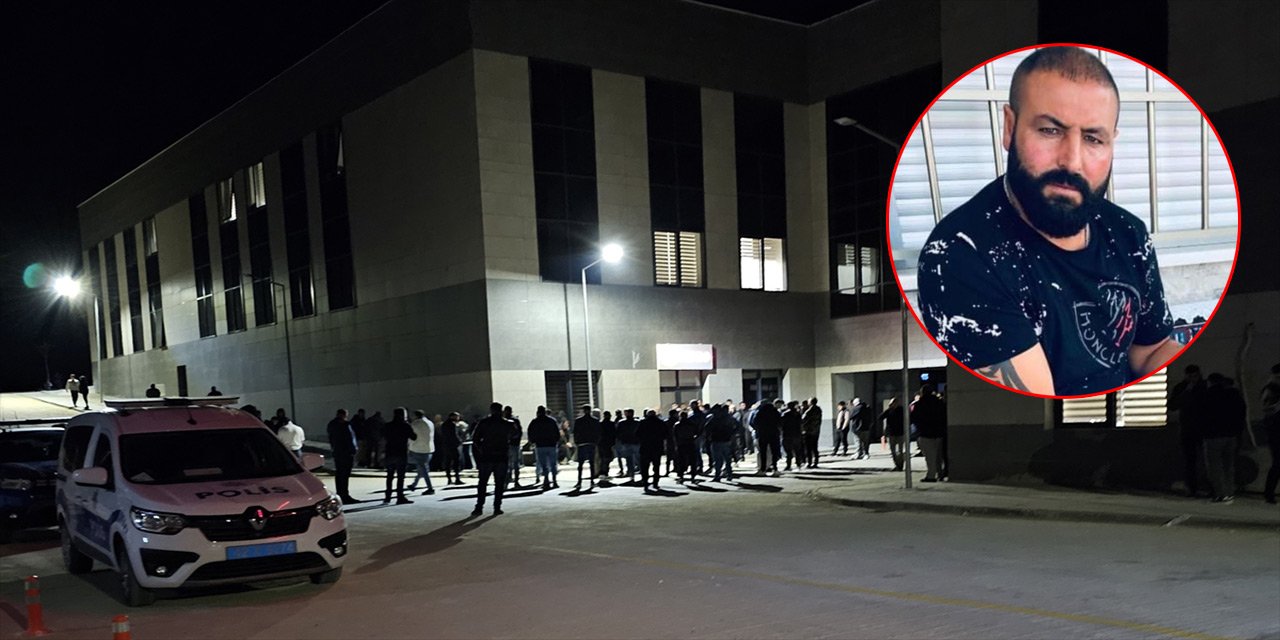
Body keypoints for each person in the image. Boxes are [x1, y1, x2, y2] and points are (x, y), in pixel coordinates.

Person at [916, 46, 1176, 396]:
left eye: (1093, 138)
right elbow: (1041, 409)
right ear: (1009, 128)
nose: (1072, 161)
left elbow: (1152, 350)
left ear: (1112, 143)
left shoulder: (1129, 233)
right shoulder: (960, 255)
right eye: (1050, 131)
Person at [1201, 374, 1245, 504]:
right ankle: (1229, 492)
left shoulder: (1207, 395)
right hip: (1231, 435)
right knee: (1228, 465)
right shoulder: (1233, 395)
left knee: (1215, 466)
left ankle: (1219, 493)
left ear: (1210, 382)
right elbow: (1241, 412)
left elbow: (1200, 415)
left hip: (1212, 436)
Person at [1170, 365, 1208, 497]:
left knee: (1207, 460)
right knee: (1190, 460)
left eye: (1195, 376)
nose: (1192, 379)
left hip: (1204, 428)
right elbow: (1172, 406)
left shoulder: (1205, 387)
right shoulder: (1181, 388)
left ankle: (1209, 486)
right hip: (1187, 428)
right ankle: (1192, 487)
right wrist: (1187, 391)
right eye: (1190, 376)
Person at [471, 402, 514, 516]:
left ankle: (479, 507)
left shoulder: (484, 423)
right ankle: (497, 507)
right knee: (499, 483)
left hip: (487, 456)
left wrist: (481, 449)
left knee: (483, 483)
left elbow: (475, 438)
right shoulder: (508, 424)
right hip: (501, 456)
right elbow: (515, 435)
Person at [912, 384, 947, 482]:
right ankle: (940, 474)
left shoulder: (919, 404)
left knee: (930, 457)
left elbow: (914, 418)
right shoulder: (939, 402)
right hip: (938, 433)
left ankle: (931, 476)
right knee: (938, 456)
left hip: (925, 433)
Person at [381, 407, 416, 505]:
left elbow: (383, 435)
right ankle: (400, 496)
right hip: (401, 453)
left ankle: (387, 496)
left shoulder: (388, 425)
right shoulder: (405, 425)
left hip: (390, 452)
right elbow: (414, 437)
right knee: (400, 477)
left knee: (390, 476)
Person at [326, 409, 360, 504]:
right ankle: (345, 495)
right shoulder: (346, 425)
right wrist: (353, 450)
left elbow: (331, 438)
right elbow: (350, 439)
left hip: (337, 452)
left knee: (339, 473)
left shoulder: (331, 425)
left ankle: (341, 493)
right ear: (344, 415)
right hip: (346, 453)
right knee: (345, 474)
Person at [1260, 363, 1280, 504]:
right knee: (1278, 463)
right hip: (1275, 429)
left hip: (1274, 429)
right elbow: (1268, 408)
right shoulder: (1271, 389)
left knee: (1278, 463)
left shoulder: (1271, 388)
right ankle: (1269, 493)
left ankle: (1269, 493)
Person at [637, 409, 671, 490]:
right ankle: (655, 482)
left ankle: (645, 482)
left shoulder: (643, 423)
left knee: (645, 466)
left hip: (645, 447)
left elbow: (637, 434)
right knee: (656, 466)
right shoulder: (660, 423)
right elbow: (666, 434)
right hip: (657, 447)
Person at [528, 406, 560, 490]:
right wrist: (556, 441)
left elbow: (530, 432)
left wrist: (533, 441)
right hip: (551, 445)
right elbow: (557, 432)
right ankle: (554, 480)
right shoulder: (552, 421)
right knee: (553, 463)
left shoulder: (535, 422)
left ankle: (546, 479)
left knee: (543, 464)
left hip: (540, 445)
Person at [572, 404, 601, 490]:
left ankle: (579, 481)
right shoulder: (595, 421)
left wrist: (576, 442)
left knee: (580, 464)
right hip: (591, 443)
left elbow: (575, 432)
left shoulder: (578, 421)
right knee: (591, 463)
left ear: (583, 410)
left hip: (582, 444)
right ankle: (592, 481)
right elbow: (598, 432)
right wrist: (596, 442)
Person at [406, 410, 436, 495]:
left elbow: (411, 436)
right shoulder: (430, 423)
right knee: (422, 468)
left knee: (423, 469)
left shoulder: (415, 424)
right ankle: (414, 485)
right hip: (429, 448)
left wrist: (409, 447)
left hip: (418, 449)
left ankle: (430, 488)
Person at [705, 404, 737, 482]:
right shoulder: (729, 418)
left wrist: (708, 436)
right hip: (726, 440)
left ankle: (717, 476)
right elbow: (737, 426)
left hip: (716, 440)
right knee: (727, 459)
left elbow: (706, 427)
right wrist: (731, 433)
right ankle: (729, 475)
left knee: (717, 460)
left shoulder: (714, 418)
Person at [751, 399, 782, 476]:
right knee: (774, 452)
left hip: (763, 434)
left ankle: (762, 469)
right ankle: (775, 469)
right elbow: (780, 423)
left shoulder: (760, 412)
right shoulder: (776, 412)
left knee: (763, 452)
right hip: (774, 434)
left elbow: (754, 422)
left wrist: (759, 429)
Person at [615, 408, 641, 481]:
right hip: (636, 443)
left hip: (626, 443)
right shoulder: (638, 422)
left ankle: (631, 476)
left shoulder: (621, 423)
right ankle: (642, 475)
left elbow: (617, 433)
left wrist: (620, 440)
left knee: (629, 460)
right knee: (638, 459)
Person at [880, 398, 906, 471]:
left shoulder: (901, 410)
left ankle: (900, 465)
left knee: (900, 450)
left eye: (892, 403)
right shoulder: (889, 411)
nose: (891, 405)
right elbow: (880, 417)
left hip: (900, 433)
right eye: (890, 404)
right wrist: (888, 409)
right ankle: (897, 465)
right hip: (891, 433)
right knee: (893, 450)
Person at [438, 412, 464, 485]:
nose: (458, 418)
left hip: (446, 445)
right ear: (453, 417)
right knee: (456, 462)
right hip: (453, 446)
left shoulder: (444, 424)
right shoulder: (453, 424)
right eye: (457, 417)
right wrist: (459, 442)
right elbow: (454, 435)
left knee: (448, 462)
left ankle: (449, 478)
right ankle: (457, 478)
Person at [502, 406, 524, 489]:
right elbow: (519, 432)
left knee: (508, 465)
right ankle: (516, 482)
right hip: (514, 444)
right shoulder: (514, 420)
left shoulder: (504, 420)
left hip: (508, 445)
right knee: (515, 464)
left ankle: (506, 483)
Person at [780, 400, 803, 471]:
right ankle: (798, 464)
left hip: (787, 434)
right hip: (797, 434)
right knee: (797, 450)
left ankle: (788, 465)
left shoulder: (785, 414)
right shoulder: (798, 414)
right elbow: (801, 424)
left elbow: (781, 424)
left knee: (788, 451)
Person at [801, 397, 823, 468]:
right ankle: (816, 462)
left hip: (809, 431)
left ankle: (809, 462)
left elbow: (803, 419)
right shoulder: (819, 409)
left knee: (808, 448)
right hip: (816, 431)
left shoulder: (809, 410)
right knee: (815, 447)